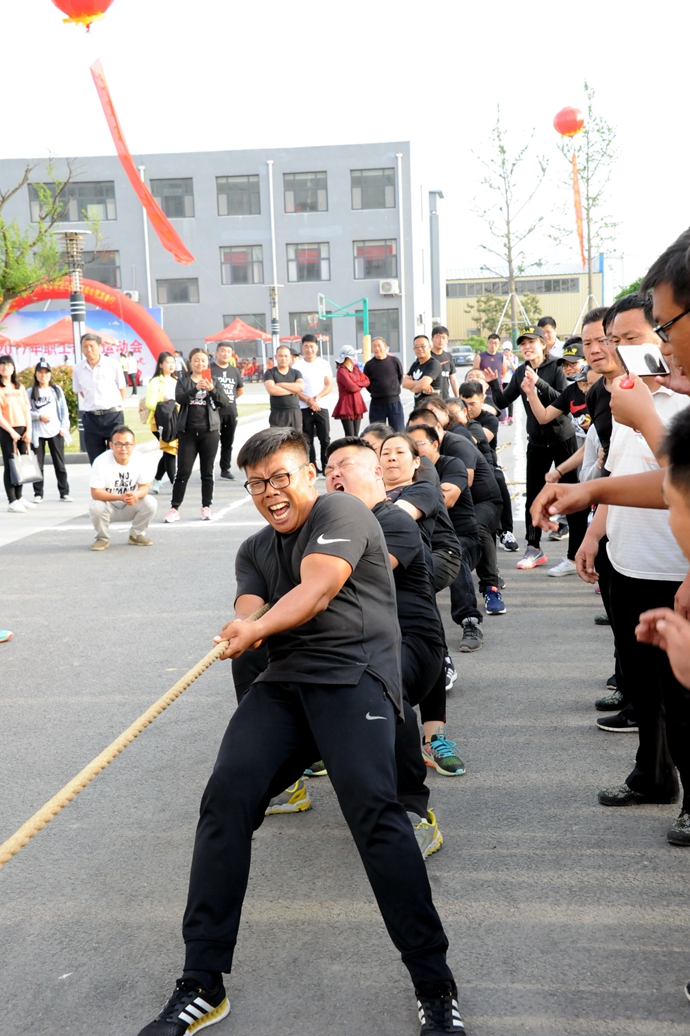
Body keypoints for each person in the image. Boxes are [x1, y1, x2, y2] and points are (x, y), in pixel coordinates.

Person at [135, 426, 462, 1036]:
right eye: (257, 483)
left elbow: (315, 590)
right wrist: (242, 627)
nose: (270, 493)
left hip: (355, 677)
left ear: (309, 473)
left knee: (375, 815)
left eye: (281, 477)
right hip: (285, 686)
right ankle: (202, 981)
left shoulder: (342, 510)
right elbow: (249, 609)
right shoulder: (255, 548)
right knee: (225, 798)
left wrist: (255, 629)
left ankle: (434, 984)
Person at [324, 436, 447, 854]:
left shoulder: (392, 521)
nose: (335, 473)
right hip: (354, 645)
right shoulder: (325, 530)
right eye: (328, 469)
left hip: (410, 642)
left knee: (378, 690)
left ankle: (414, 811)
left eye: (345, 464)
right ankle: (292, 770)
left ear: (377, 472)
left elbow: (341, 582)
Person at [379, 432, 467, 774]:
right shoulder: (364, 496)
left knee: (425, 637)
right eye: (385, 452)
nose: (391, 458)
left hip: (421, 568)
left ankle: (433, 738)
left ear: (416, 462)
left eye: (400, 452)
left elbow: (396, 516)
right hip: (381, 573)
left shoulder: (422, 488)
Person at [485, 326, 576, 570]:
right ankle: (533, 547)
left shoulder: (557, 366)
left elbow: (563, 399)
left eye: (532, 342)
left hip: (562, 438)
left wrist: (538, 383)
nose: (527, 347)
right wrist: (494, 383)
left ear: (543, 344)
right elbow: (504, 401)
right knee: (533, 496)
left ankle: (574, 554)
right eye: (523, 343)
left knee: (572, 495)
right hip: (537, 441)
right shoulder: (519, 372)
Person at [165, 348, 229, 524]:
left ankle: (206, 506)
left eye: (203, 360)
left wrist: (212, 389)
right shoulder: (183, 381)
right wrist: (195, 388)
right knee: (183, 471)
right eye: (196, 360)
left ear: (207, 362)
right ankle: (174, 508)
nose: (200, 363)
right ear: (190, 363)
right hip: (188, 432)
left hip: (210, 431)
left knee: (207, 472)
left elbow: (224, 402)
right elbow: (179, 398)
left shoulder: (214, 380)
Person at [88, 425, 157, 550]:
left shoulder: (140, 459)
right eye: (118, 444)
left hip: (130, 504)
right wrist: (120, 497)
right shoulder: (101, 461)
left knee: (150, 501)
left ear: (134, 445)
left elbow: (145, 487)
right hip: (108, 506)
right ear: (111, 445)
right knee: (96, 505)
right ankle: (102, 538)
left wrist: (136, 495)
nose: (123, 448)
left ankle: (136, 535)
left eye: (127, 444)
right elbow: (95, 493)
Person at [72, 333, 126, 463]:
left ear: (100, 346)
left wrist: (116, 406)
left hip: (113, 416)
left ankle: (115, 484)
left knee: (117, 457)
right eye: (85, 347)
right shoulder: (78, 368)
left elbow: (122, 388)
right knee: (96, 461)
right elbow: (81, 391)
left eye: (92, 346)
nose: (88, 350)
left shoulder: (112, 364)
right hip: (91, 418)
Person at [28, 359, 72, 502]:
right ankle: (38, 493)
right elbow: (26, 412)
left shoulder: (56, 390)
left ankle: (64, 492)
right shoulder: (30, 392)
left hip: (55, 432)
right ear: (36, 375)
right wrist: (38, 416)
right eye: (40, 372)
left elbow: (64, 410)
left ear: (50, 374)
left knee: (59, 463)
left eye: (46, 372)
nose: (43, 375)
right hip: (37, 434)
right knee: (37, 465)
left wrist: (63, 427)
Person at [293, 334, 333, 473]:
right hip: (304, 407)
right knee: (307, 440)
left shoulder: (324, 364)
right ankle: (312, 468)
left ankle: (327, 466)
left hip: (322, 406)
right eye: (306, 346)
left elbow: (329, 385)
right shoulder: (297, 366)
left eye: (311, 346)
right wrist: (308, 401)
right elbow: (296, 389)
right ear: (302, 347)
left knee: (325, 439)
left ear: (316, 347)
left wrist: (315, 399)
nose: (309, 349)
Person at [0, 354, 33, 513]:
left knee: (23, 462)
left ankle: (20, 496)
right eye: (2, 364)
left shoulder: (19, 387)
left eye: (8, 364)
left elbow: (27, 409)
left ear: (14, 368)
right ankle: (12, 499)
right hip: (7, 430)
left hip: (23, 428)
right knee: (10, 463)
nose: (5, 367)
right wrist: (12, 432)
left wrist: (29, 430)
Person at [145, 351, 179, 494]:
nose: (171, 365)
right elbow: (150, 403)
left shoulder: (176, 381)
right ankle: (175, 484)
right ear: (160, 365)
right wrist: (166, 402)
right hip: (160, 422)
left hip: (174, 421)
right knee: (170, 450)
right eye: (167, 362)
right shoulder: (156, 381)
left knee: (168, 451)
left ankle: (156, 481)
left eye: (173, 362)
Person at [210, 341, 244, 480]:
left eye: (228, 352)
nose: (225, 354)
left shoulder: (234, 370)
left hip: (230, 410)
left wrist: (228, 398)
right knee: (211, 442)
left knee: (227, 443)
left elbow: (240, 390)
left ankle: (225, 469)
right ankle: (208, 469)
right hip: (214, 411)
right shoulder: (209, 369)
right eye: (223, 351)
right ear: (217, 352)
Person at [363, 336, 404, 430]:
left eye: (379, 345)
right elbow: (367, 383)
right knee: (377, 433)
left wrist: (392, 389)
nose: (377, 348)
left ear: (385, 346)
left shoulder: (394, 361)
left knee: (398, 431)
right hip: (377, 404)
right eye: (374, 346)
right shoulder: (369, 365)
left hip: (394, 402)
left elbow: (400, 377)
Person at [263, 344, 304, 430]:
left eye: (286, 356)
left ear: (290, 357)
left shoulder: (296, 373)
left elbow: (300, 387)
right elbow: (272, 390)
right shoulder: (270, 373)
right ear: (276, 357)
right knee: (279, 442)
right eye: (280, 356)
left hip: (295, 413)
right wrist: (293, 390)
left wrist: (281, 384)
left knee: (296, 441)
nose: (283, 358)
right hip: (278, 414)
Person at [332, 344, 369, 436]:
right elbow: (352, 388)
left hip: (357, 403)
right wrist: (358, 384)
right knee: (350, 435)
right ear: (347, 357)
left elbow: (367, 381)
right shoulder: (341, 371)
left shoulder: (355, 368)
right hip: (346, 405)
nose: (355, 357)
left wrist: (356, 384)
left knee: (356, 434)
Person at [430, 326, 459, 401]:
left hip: (445, 399)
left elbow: (453, 379)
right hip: (429, 399)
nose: (440, 340)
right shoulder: (426, 357)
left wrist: (458, 398)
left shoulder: (448, 356)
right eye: (437, 337)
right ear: (432, 339)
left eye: (443, 338)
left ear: (447, 340)